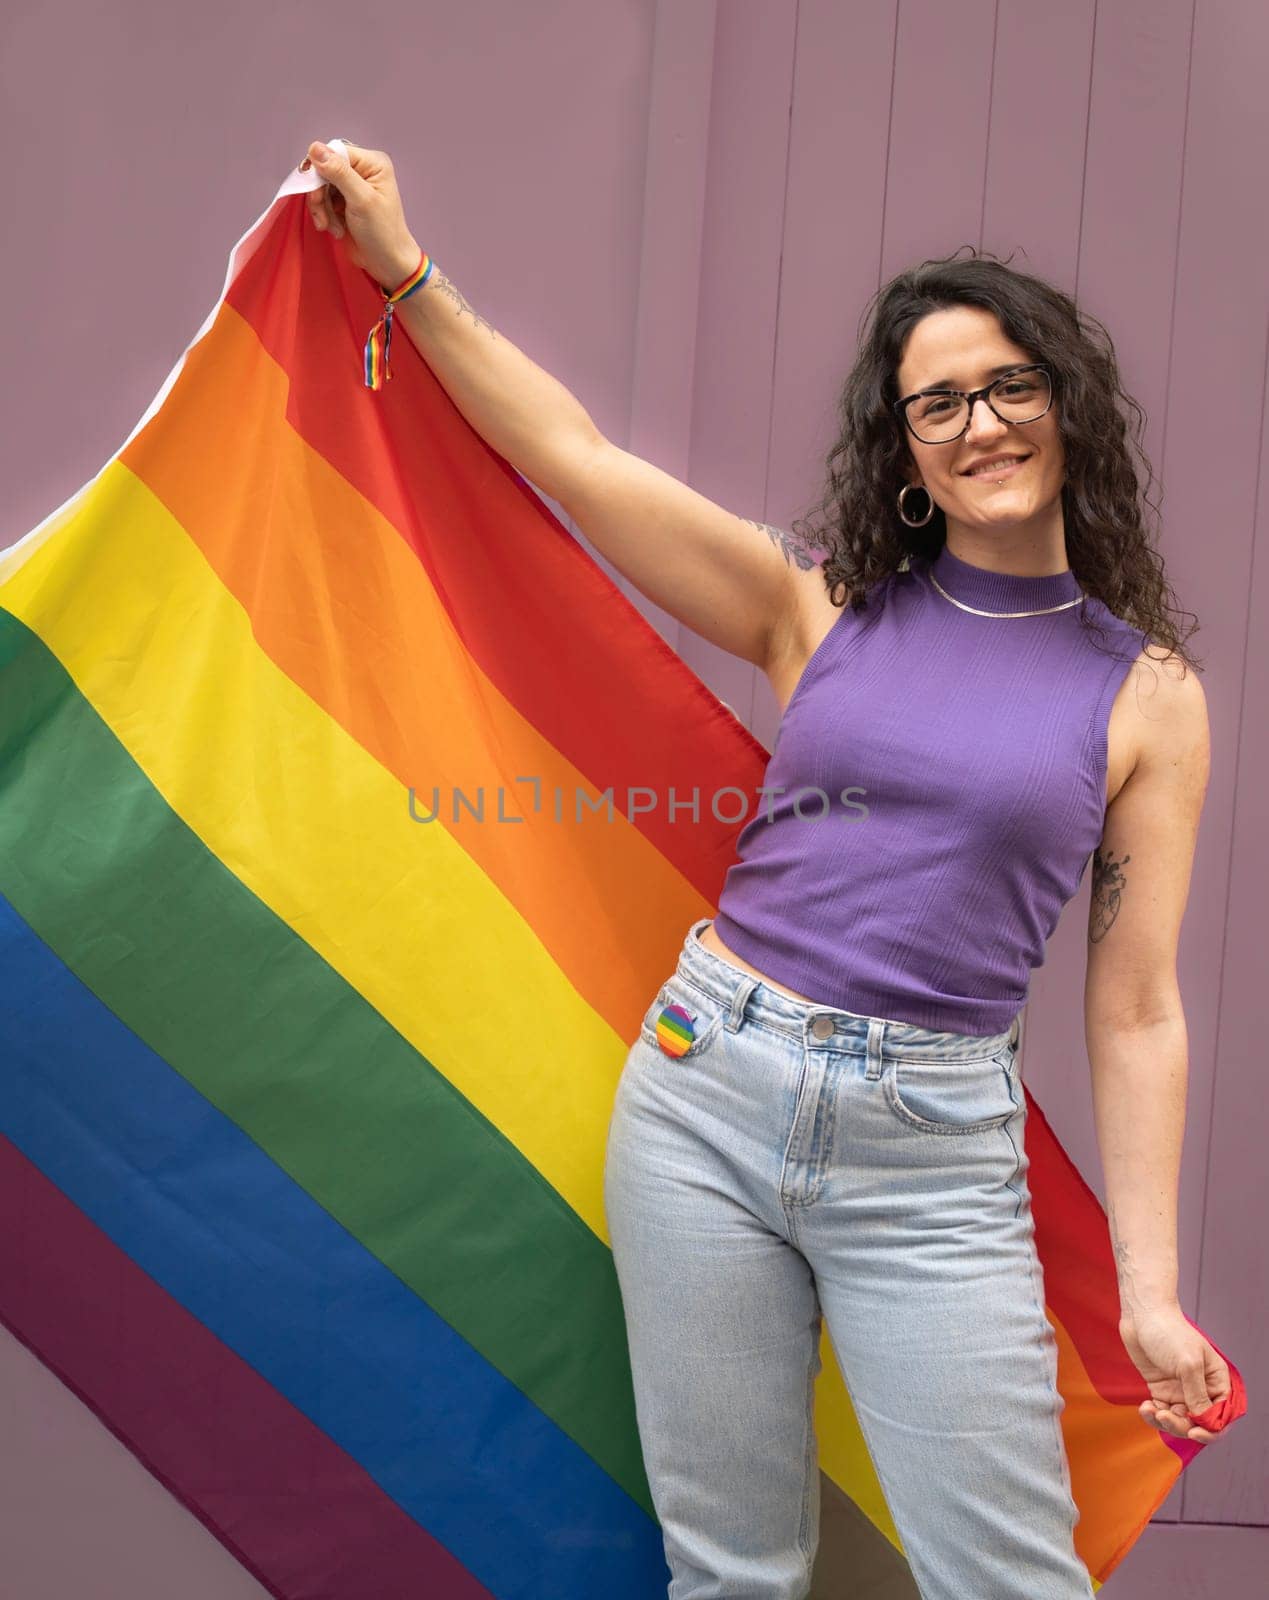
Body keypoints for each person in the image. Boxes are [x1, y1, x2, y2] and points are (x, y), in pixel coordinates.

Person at [299, 138, 1235, 1599]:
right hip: (702, 1095)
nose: (977, 422)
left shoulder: (1145, 698)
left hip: (927, 1158)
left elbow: (1133, 1010)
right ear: (905, 448)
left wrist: (1152, 1298)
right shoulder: (820, 606)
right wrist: (406, 277)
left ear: (1063, 405)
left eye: (1006, 385)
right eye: (937, 402)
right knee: (729, 1575)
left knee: (1007, 1582)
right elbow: (576, 459)